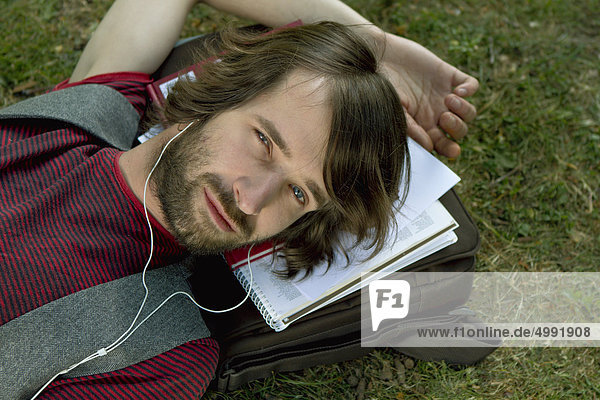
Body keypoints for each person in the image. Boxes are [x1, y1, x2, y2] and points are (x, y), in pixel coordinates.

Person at [0, 0, 478, 398]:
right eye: (264, 142)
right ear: (223, 94)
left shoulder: (162, 357)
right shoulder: (82, 112)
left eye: (297, 192)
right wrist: (377, 45)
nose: (250, 202)